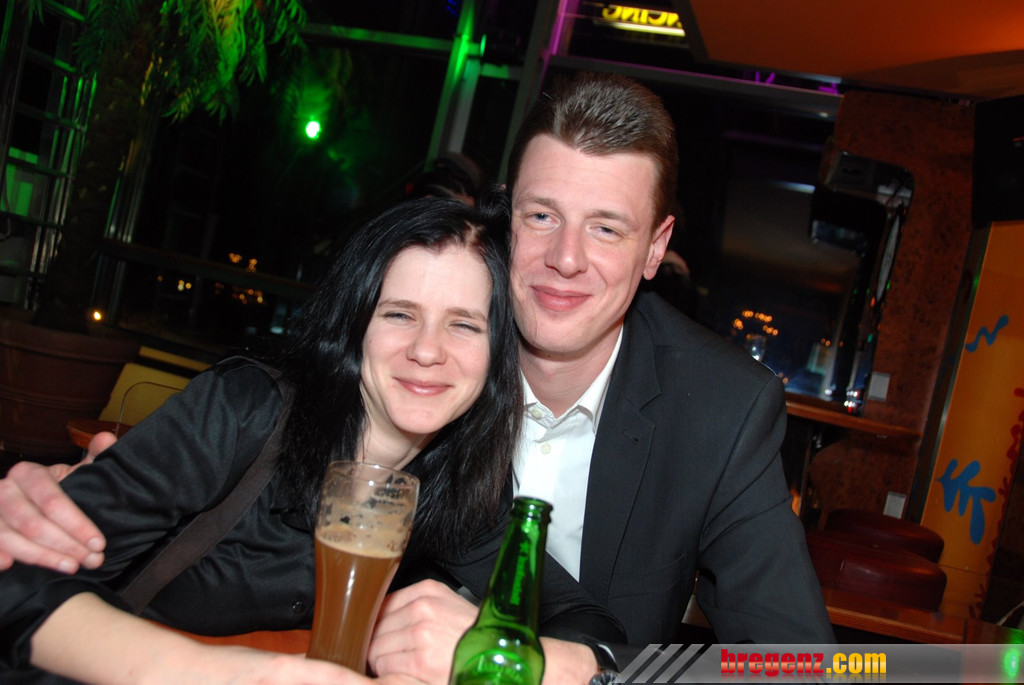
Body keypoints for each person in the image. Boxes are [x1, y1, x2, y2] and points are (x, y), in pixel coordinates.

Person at [0, 72, 834, 683]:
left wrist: (559, 666)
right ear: (506, 217)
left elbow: (805, 667)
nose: (565, 257)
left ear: (657, 248)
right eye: (542, 215)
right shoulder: (417, 386)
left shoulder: (718, 410)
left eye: (607, 228)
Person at [0, 195, 623, 684]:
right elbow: (15, 582)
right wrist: (232, 675)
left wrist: (487, 644)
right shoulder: (246, 411)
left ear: (497, 355)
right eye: (399, 314)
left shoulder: (456, 486)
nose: (427, 350)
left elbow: (592, 629)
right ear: (355, 326)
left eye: (463, 325)